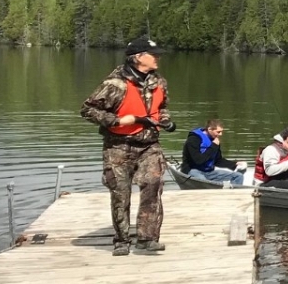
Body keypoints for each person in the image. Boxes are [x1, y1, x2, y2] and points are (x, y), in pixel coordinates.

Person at [80, 36, 177, 256]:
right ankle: (122, 240)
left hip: (149, 145)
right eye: (154, 55)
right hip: (118, 147)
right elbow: (87, 110)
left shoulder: (159, 81)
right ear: (138, 58)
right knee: (120, 193)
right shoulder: (115, 84)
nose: (158, 58)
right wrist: (120, 121)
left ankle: (147, 238)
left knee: (153, 185)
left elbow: (163, 107)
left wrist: (165, 120)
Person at [180, 119, 245, 185]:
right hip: (192, 170)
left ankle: (233, 194)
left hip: (209, 172)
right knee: (204, 181)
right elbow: (198, 160)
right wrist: (213, 146)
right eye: (218, 132)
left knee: (238, 176)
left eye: (221, 132)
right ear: (209, 129)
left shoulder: (214, 140)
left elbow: (218, 161)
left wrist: (235, 164)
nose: (220, 134)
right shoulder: (193, 140)